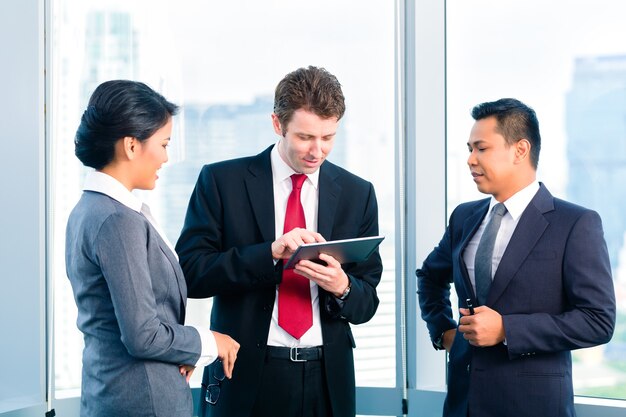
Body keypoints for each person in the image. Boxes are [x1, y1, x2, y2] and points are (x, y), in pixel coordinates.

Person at [176, 66, 383, 417]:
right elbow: (190, 274)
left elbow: (367, 303)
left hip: (326, 378)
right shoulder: (223, 181)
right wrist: (268, 254)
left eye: (328, 137)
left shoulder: (357, 194)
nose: (318, 151)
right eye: (305, 137)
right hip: (245, 371)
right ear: (277, 124)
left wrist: (343, 286)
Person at [416, 98, 616, 417]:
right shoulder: (464, 217)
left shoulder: (575, 223)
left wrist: (508, 329)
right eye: (469, 148)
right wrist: (444, 331)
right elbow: (429, 277)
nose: (470, 159)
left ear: (520, 150)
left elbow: (598, 321)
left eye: (481, 148)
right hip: (463, 404)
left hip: (533, 405)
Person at [65, 80, 240, 417]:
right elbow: (142, 334)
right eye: (163, 144)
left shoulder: (91, 208)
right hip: (141, 401)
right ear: (131, 146)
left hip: (115, 392)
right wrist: (209, 341)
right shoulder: (117, 220)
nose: (165, 157)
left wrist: (185, 352)